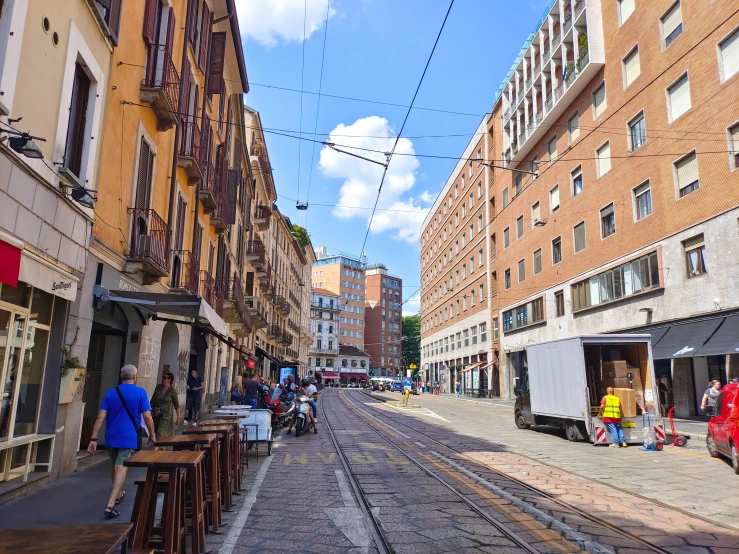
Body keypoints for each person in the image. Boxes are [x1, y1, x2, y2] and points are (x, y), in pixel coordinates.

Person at [87, 364, 156, 518]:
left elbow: (100, 416)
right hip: (128, 437)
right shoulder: (140, 392)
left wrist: (93, 438)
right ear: (135, 377)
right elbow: (147, 416)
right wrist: (152, 433)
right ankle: (110, 504)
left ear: (121, 376)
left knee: (115, 466)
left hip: (111, 436)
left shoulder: (110, 393)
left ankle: (117, 494)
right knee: (121, 466)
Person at [150, 371, 180, 442]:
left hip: (166, 415)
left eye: (165, 378)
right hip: (156, 413)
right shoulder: (158, 387)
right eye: (162, 377)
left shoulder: (172, 391)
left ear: (170, 380)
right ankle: (161, 448)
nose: (162, 379)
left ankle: (155, 450)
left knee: (160, 432)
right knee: (156, 430)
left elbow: (177, 405)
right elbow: (153, 400)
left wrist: (178, 417)